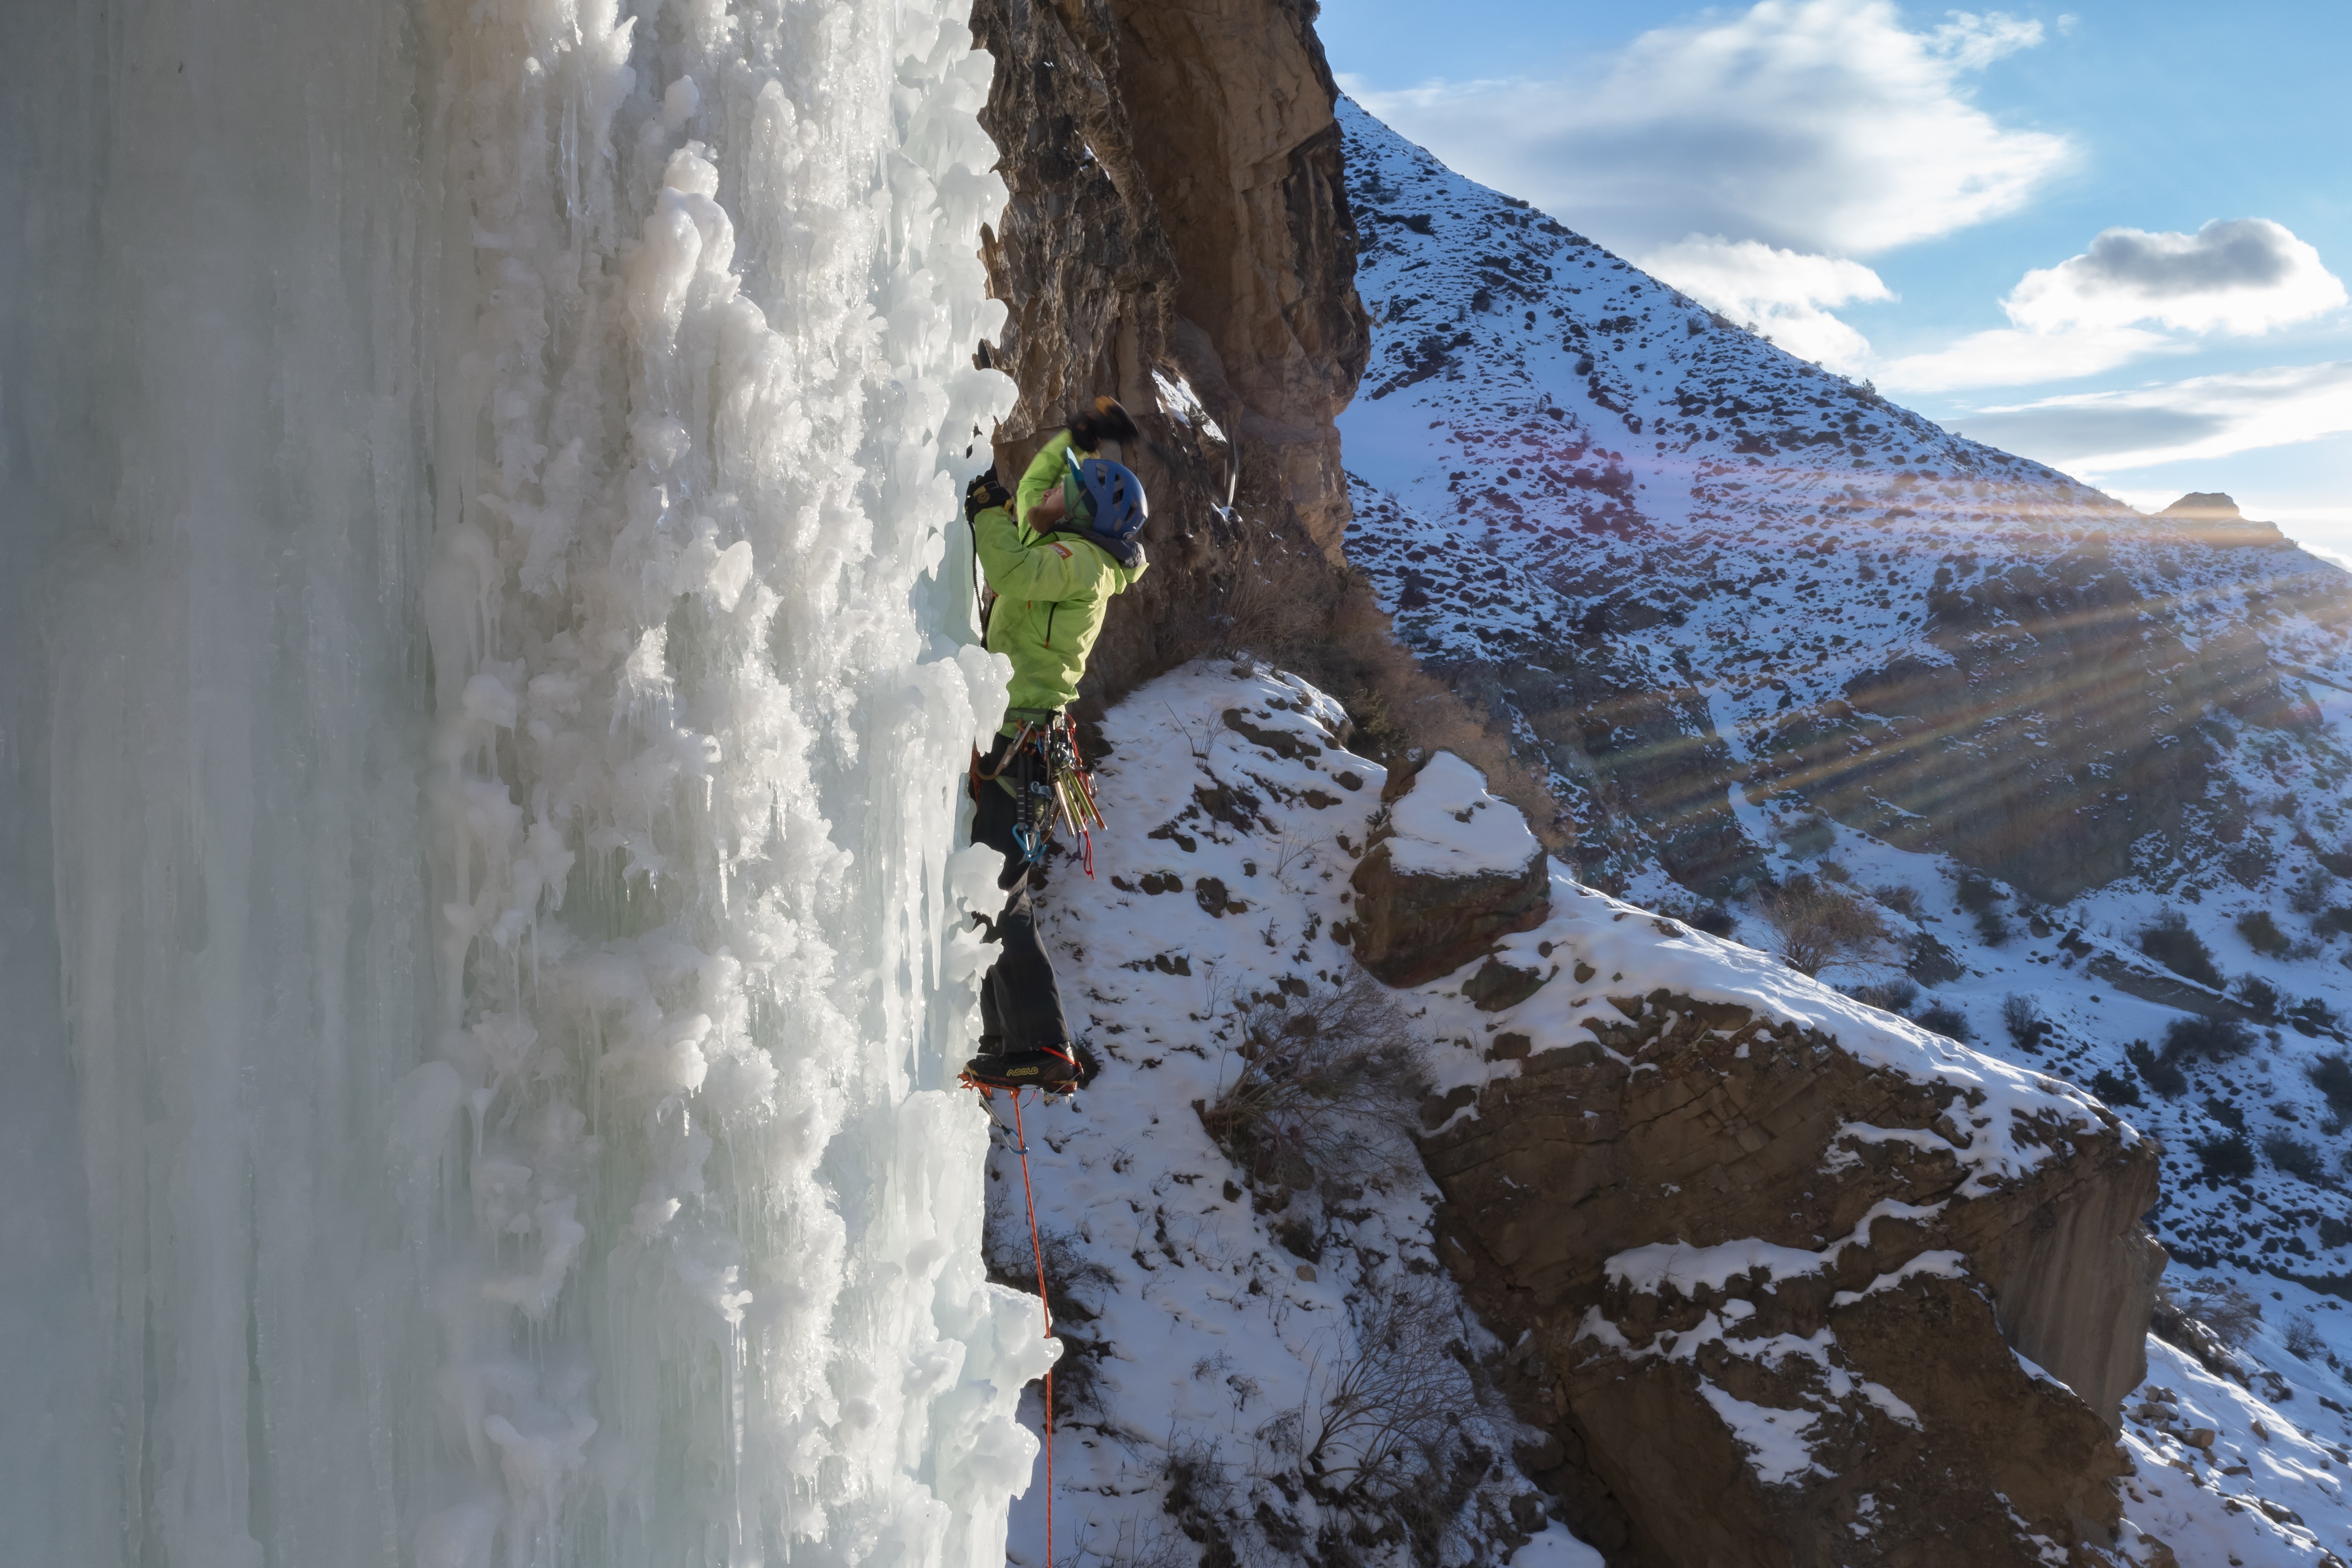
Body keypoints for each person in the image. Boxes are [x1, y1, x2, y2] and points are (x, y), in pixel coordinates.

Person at [961, 397, 1150, 1091]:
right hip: (1018, 741)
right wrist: (1076, 437)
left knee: (1001, 892)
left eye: (1061, 499)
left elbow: (1009, 568)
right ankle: (1005, 1040)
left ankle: (1042, 1046)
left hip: (1022, 741)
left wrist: (985, 509)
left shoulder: (1081, 565)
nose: (1041, 503)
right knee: (993, 890)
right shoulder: (1070, 548)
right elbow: (1040, 498)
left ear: (1080, 519)